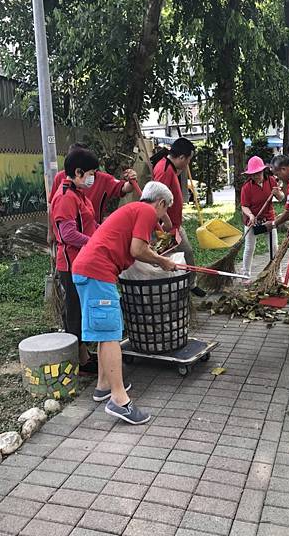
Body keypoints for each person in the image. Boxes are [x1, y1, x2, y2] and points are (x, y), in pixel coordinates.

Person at [72, 181, 177, 424]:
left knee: (103, 333)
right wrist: (162, 261)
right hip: (98, 272)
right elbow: (138, 249)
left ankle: (103, 386)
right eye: (166, 209)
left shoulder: (132, 210)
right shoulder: (147, 211)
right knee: (111, 335)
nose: (163, 216)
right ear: (160, 203)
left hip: (88, 270)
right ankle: (119, 400)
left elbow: (133, 249)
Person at [50, 148, 100, 373]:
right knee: (75, 311)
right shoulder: (65, 198)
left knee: (78, 308)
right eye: (91, 173)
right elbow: (67, 234)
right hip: (71, 264)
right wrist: (94, 242)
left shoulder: (79, 194)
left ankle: (83, 354)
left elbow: (89, 224)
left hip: (84, 260)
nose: (93, 178)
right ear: (78, 172)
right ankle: (80, 359)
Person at [152, 138, 206, 297]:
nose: (188, 163)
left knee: (187, 253)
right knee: (168, 257)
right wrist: (165, 223)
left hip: (175, 225)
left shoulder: (170, 168)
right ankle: (173, 290)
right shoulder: (164, 171)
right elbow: (156, 202)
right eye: (189, 159)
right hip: (166, 227)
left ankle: (190, 284)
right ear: (181, 157)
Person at [49, 142, 138, 227]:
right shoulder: (64, 191)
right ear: (77, 172)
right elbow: (68, 234)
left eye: (92, 173)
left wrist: (131, 180)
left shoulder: (101, 181)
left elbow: (124, 187)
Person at [240, 155, 284, 281]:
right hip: (252, 221)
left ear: (262, 171)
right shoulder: (246, 188)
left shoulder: (270, 181)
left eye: (257, 173)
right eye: (252, 174)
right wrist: (250, 215)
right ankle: (245, 275)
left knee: (274, 248)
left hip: (269, 219)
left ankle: (277, 275)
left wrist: (278, 193)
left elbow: (281, 198)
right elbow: (244, 206)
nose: (255, 176)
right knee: (249, 248)